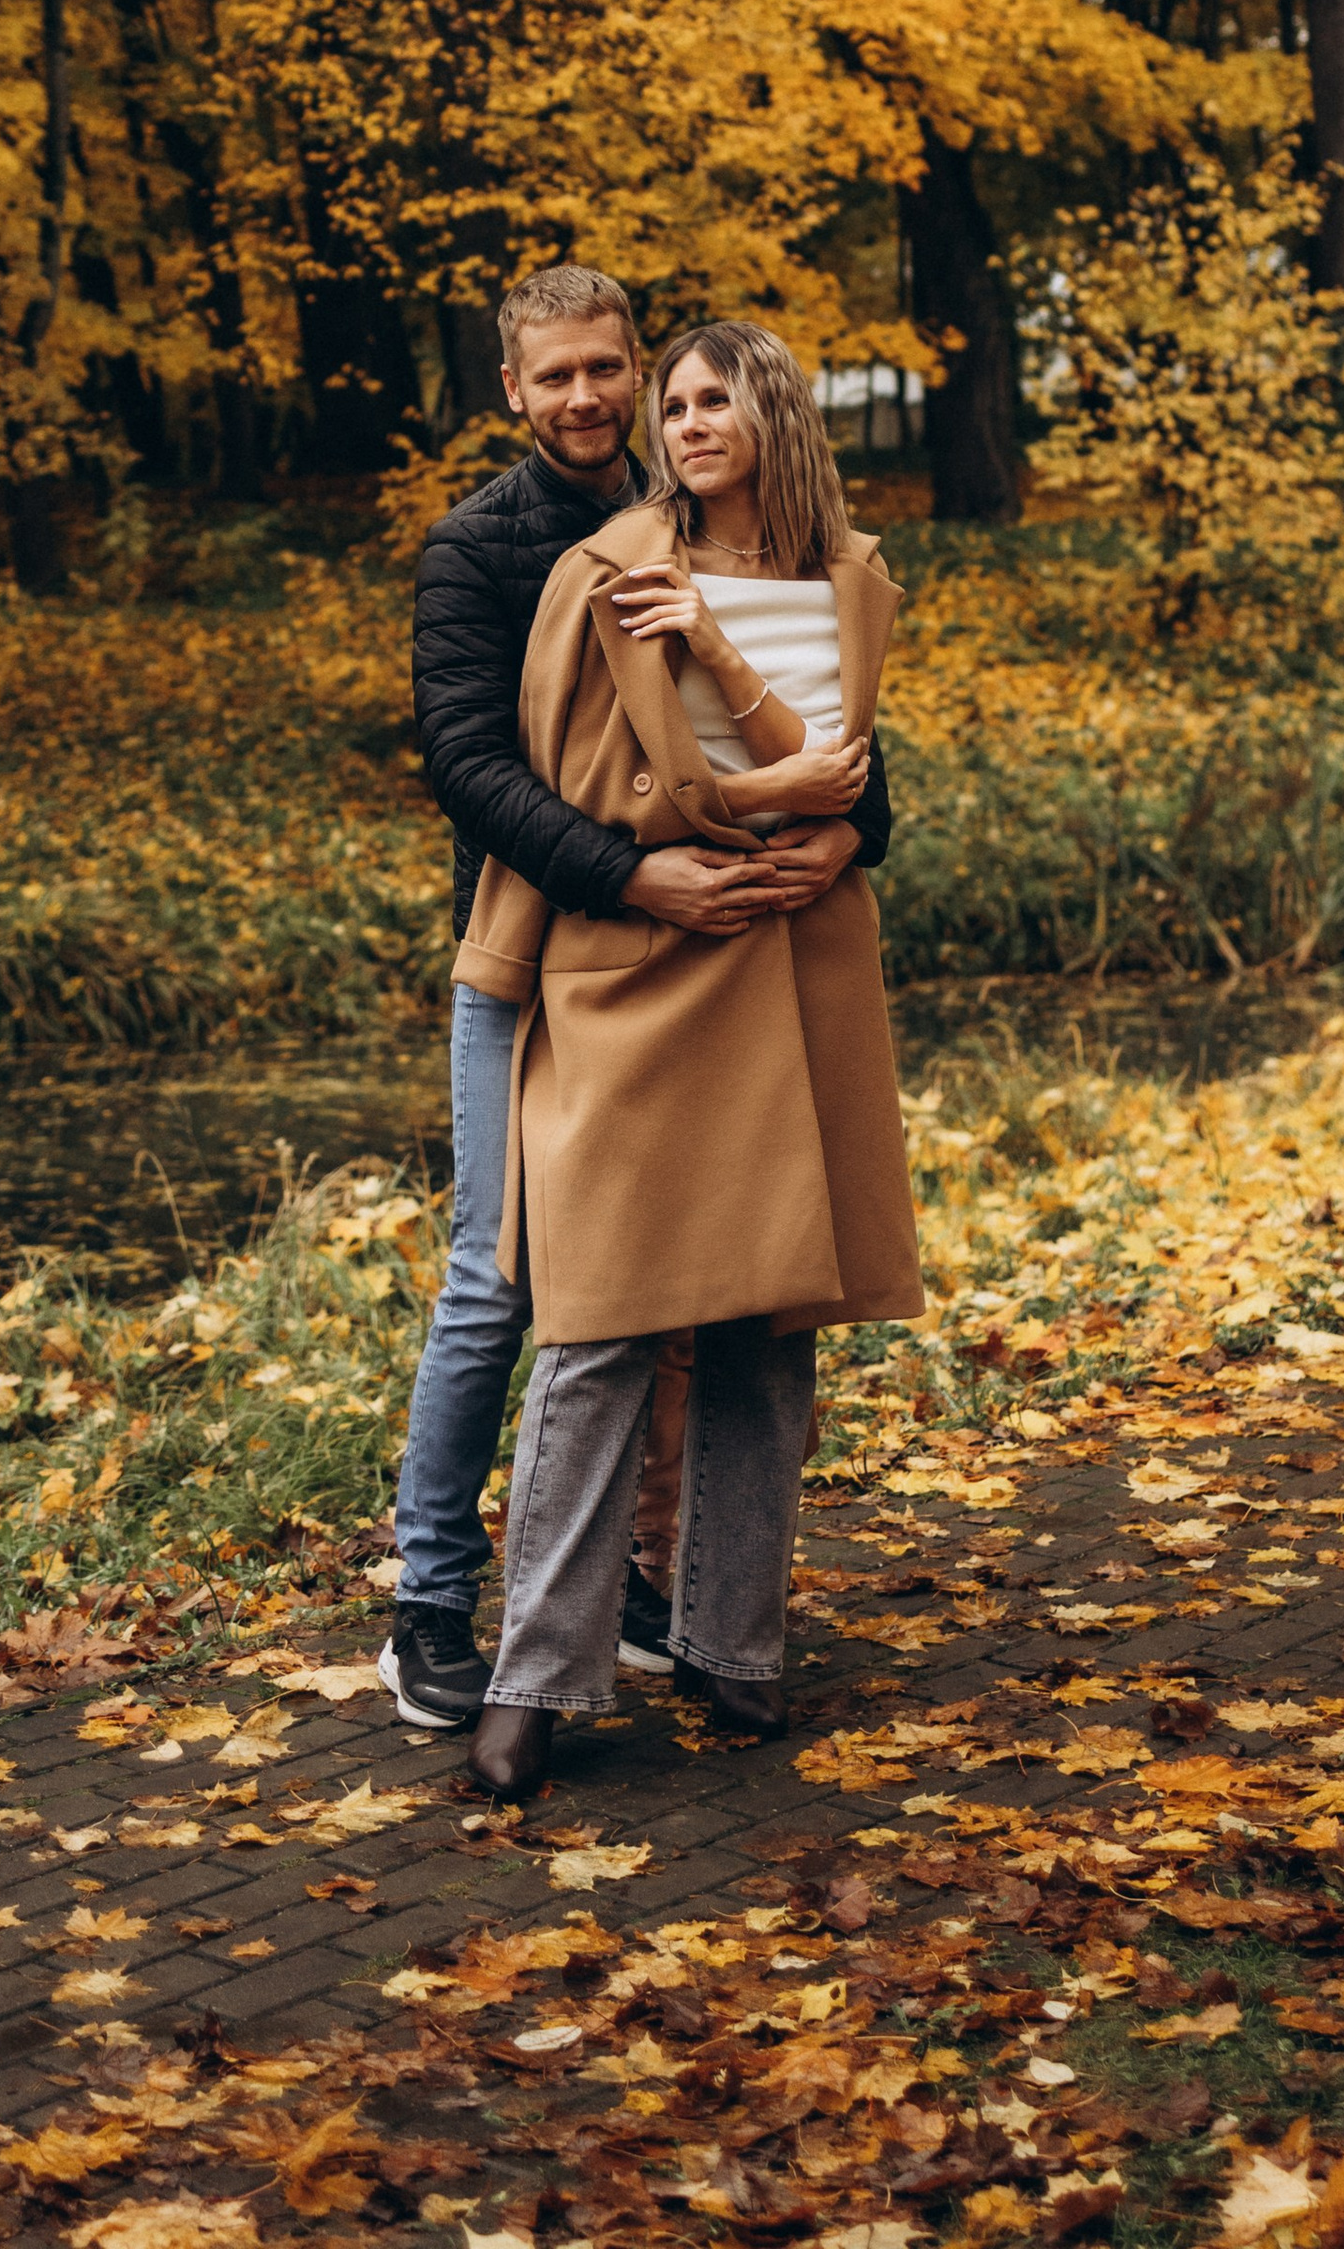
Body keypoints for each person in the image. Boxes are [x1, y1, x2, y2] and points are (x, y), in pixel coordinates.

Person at [385, 269, 893, 1728]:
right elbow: (469, 770)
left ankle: (661, 1586)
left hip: (708, 957)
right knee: (506, 1273)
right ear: (514, 393)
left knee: (700, 1283)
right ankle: (429, 1602)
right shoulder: (478, 551)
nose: (593, 399)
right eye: (560, 379)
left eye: (615, 370)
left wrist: (838, 827)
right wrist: (634, 875)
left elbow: (861, 766)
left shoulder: (710, 533)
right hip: (545, 946)